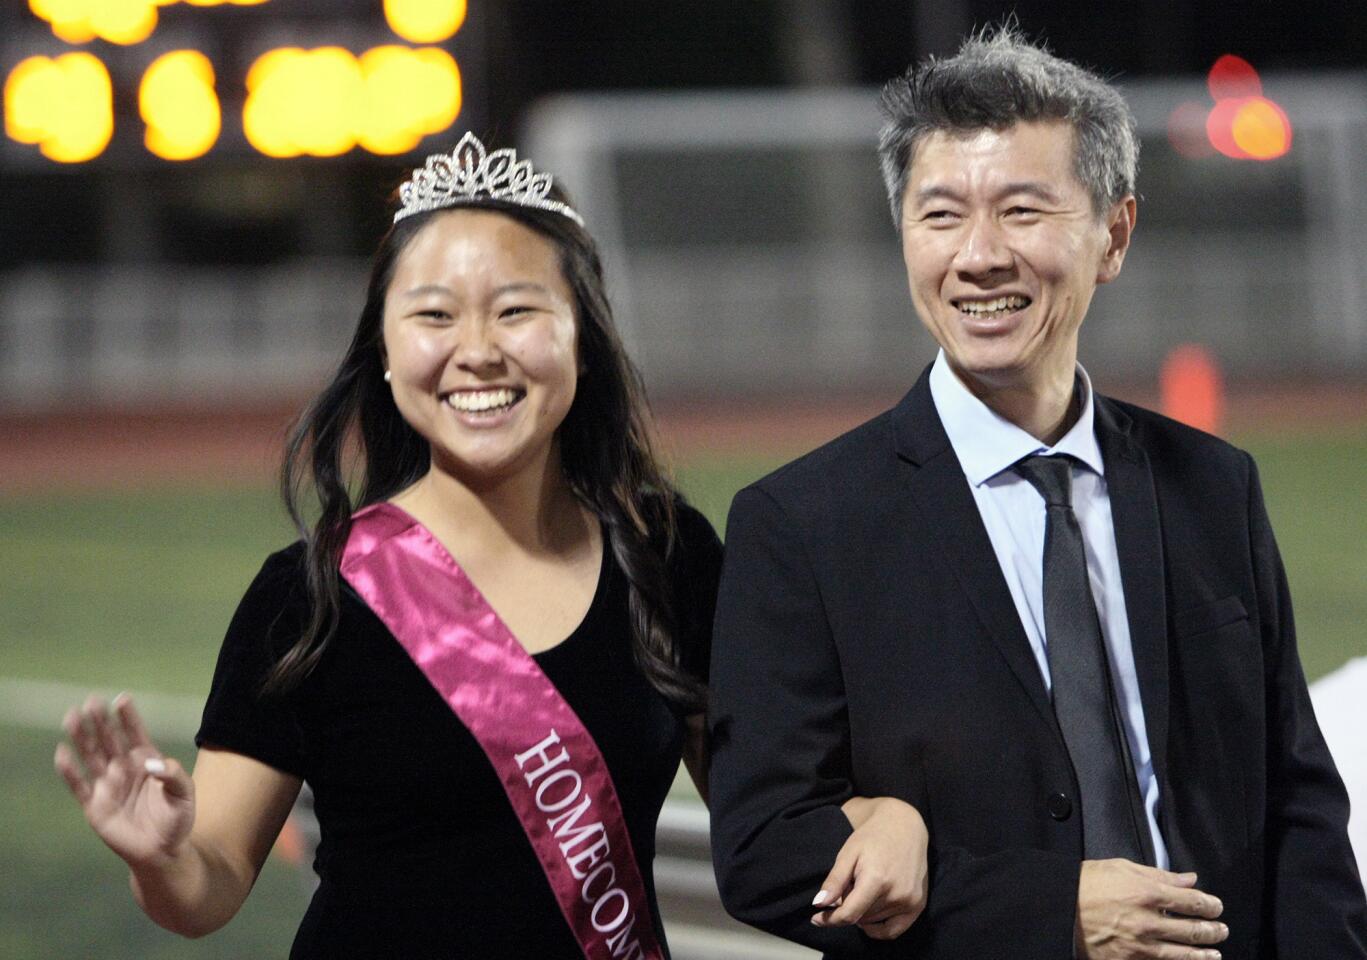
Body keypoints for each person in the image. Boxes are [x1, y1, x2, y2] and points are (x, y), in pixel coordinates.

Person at [708, 26, 1367, 960]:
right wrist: (1055, 908)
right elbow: (764, 848)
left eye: (1023, 211)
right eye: (940, 216)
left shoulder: (1215, 487)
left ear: (1114, 234)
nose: (978, 256)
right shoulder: (802, 525)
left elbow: (1296, 796)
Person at [53, 133, 727, 959]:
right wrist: (160, 858)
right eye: (434, 314)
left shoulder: (665, 555)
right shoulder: (312, 593)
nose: (477, 350)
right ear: (382, 350)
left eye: (516, 310)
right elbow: (210, 884)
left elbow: (759, 818)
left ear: (581, 340)